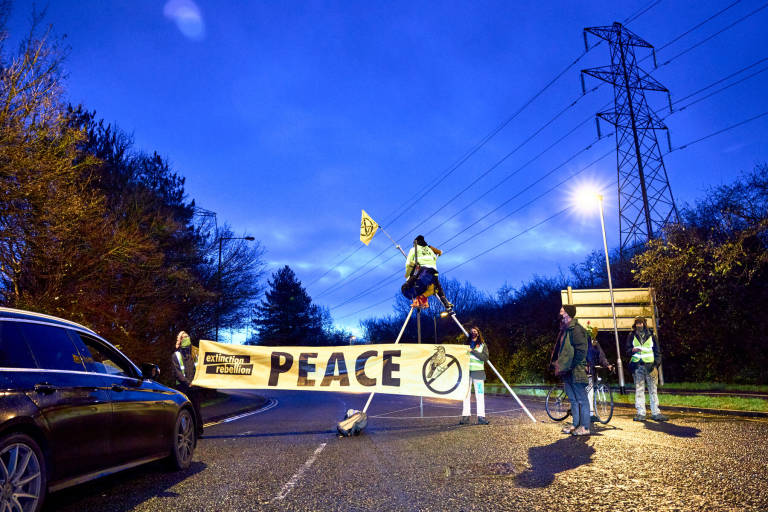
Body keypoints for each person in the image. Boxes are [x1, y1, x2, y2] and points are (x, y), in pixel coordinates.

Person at [552, 305, 590, 436]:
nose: (560, 313)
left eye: (562, 311)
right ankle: (575, 424)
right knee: (573, 400)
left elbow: (581, 350)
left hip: (576, 369)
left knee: (582, 399)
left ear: (567, 313)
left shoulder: (576, 330)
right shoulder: (565, 330)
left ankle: (585, 427)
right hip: (567, 370)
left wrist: (573, 364)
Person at [625, 316, 667, 422]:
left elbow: (657, 352)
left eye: (641, 323)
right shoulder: (631, 335)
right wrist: (632, 350)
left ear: (644, 324)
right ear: (635, 324)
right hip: (638, 366)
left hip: (650, 367)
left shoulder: (652, 335)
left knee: (653, 390)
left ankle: (656, 413)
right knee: (639, 390)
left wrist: (655, 364)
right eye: (637, 323)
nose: (639, 325)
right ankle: (641, 413)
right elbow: (627, 350)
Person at [401, 235, 453, 313]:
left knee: (406, 288)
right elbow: (434, 259)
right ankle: (444, 301)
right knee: (437, 286)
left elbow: (408, 264)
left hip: (422, 271)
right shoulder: (430, 249)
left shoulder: (414, 249)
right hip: (433, 272)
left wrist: (408, 277)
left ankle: (422, 298)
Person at [172, 330, 204, 437]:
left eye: (187, 336)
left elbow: (200, 368)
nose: (186, 338)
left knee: (196, 411)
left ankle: (198, 432)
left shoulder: (195, 353)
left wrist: (196, 382)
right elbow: (177, 373)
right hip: (183, 388)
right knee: (183, 412)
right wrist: (187, 383)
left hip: (195, 388)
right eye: (184, 337)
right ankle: (184, 433)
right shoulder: (176, 355)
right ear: (180, 340)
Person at [460, 326, 489, 425]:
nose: (473, 332)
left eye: (475, 331)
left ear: (478, 332)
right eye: (471, 331)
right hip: (467, 373)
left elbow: (485, 358)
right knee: (466, 395)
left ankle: (481, 417)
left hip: (478, 373)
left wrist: (473, 351)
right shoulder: (465, 345)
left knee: (480, 395)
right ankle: (465, 417)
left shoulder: (482, 345)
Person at [584, 324, 613, 421]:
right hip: (583, 369)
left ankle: (590, 413)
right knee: (587, 390)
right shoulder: (583, 343)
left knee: (590, 391)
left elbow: (601, 355)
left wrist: (607, 364)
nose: (593, 335)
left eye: (594, 334)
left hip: (591, 369)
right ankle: (585, 412)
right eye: (592, 333)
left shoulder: (596, 343)